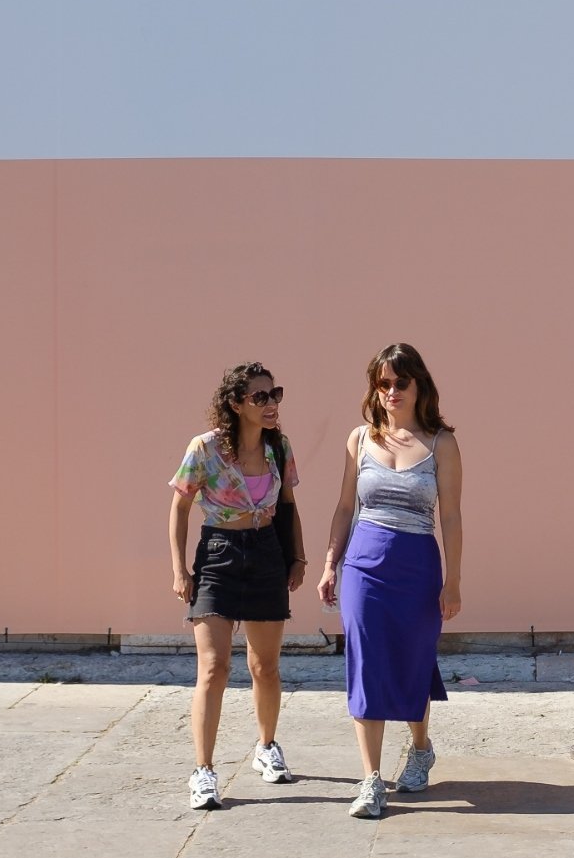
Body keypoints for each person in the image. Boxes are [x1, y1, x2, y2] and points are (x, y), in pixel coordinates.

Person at [319, 344, 462, 820]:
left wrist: (454, 581)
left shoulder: (442, 442)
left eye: (401, 383)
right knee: (367, 663)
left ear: (419, 385)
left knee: (412, 658)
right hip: (363, 564)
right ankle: (371, 780)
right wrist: (329, 564)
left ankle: (420, 748)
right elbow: (344, 507)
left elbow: (453, 517)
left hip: (418, 564)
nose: (392, 392)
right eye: (383, 383)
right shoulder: (359, 439)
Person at [170, 363, 305, 812]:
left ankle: (266, 747)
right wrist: (179, 569)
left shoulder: (278, 447)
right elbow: (180, 507)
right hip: (218, 556)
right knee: (214, 668)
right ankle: (203, 771)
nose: (271, 404)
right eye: (260, 397)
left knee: (265, 666)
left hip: (266, 552)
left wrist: (297, 557)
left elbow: (288, 505)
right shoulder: (205, 448)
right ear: (236, 404)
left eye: (274, 394)